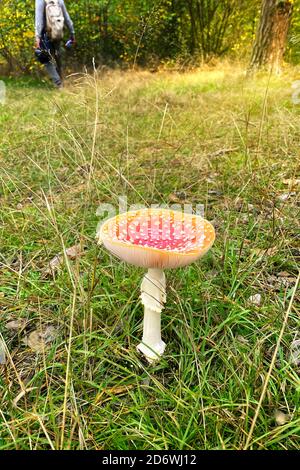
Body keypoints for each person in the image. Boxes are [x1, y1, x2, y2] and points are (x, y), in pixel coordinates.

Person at [35, 0, 75, 88]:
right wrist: (72, 32)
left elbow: (39, 20)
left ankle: (58, 83)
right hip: (57, 32)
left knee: (45, 58)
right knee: (57, 56)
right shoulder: (59, 0)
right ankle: (62, 79)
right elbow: (67, 17)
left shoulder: (40, 1)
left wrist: (37, 36)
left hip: (45, 34)